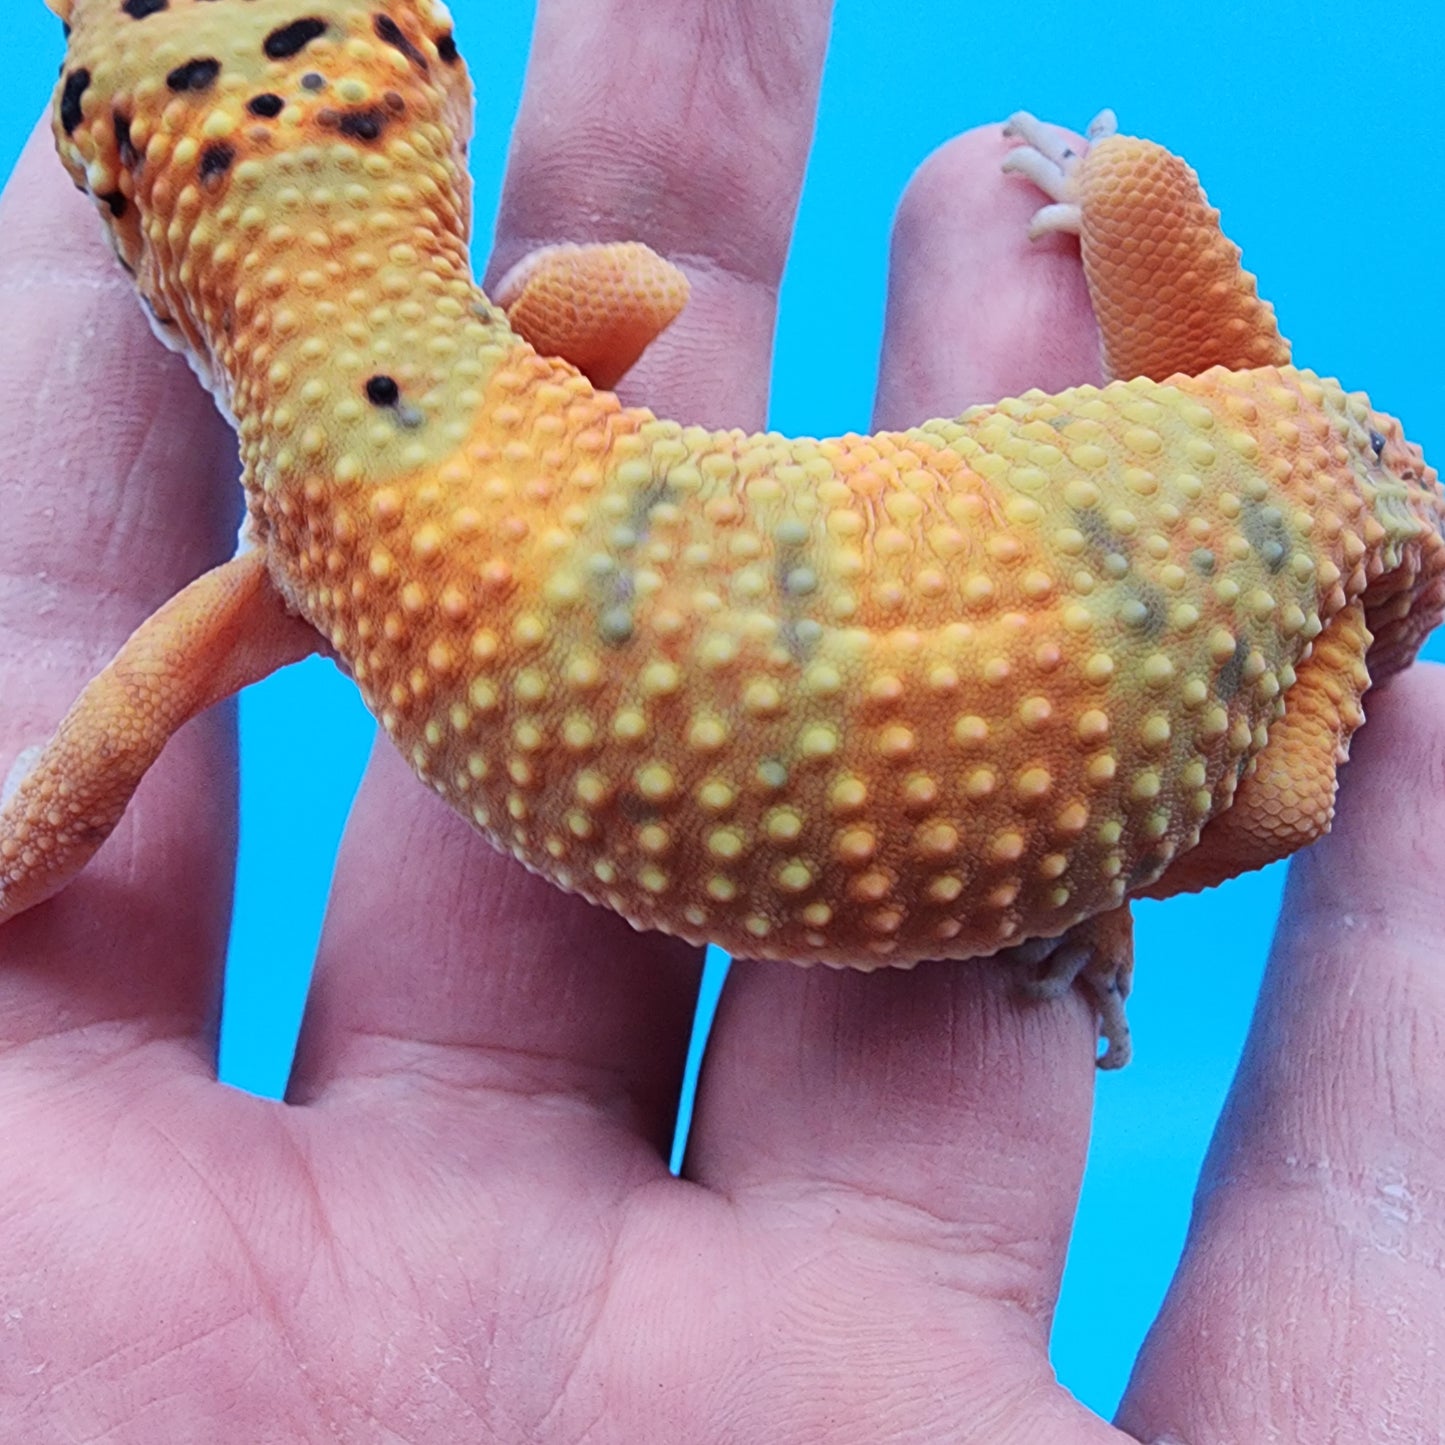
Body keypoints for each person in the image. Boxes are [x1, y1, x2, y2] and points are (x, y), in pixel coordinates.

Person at [1, 2, 1441, 1438]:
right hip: (1197, 483)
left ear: (137, 226)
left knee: (1284, 799)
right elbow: (632, 288)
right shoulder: (526, 353)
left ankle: (1086, 855)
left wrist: (1100, 859)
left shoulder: (294, 555)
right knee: (1126, 202)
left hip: (1240, 580)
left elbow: (69, 794)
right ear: (443, 103)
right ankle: (1089, 814)